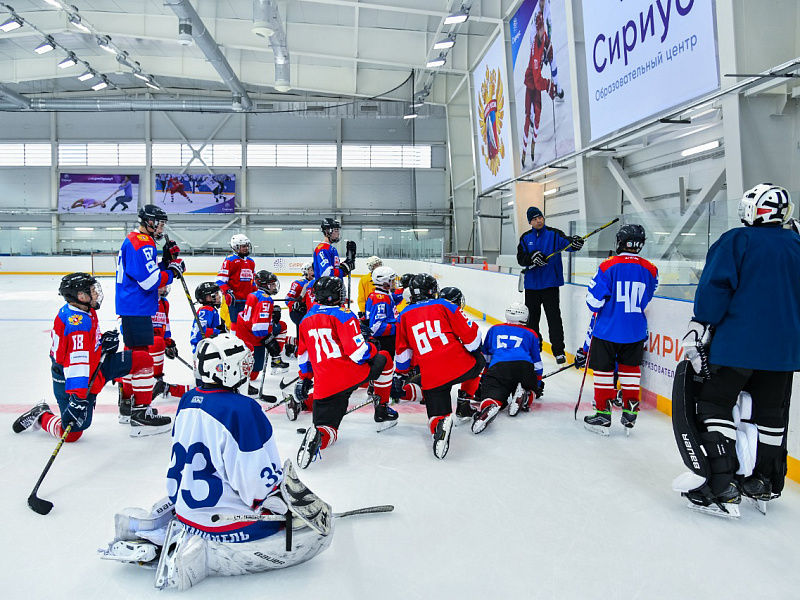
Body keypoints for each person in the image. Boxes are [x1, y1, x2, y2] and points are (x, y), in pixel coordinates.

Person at [100, 333, 335, 591]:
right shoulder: (243, 410)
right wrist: (284, 507)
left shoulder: (188, 399)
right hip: (226, 525)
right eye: (243, 364)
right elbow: (256, 487)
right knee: (292, 519)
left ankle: (159, 532)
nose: (247, 368)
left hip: (186, 513)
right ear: (228, 370)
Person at [674, 184, 800, 514]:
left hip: (736, 347)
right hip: (784, 352)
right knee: (772, 416)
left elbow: (716, 288)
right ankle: (766, 481)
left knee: (714, 405)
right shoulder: (797, 244)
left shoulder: (737, 240)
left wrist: (699, 325)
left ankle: (722, 483)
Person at [13, 273, 168, 440]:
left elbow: (86, 348)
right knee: (72, 433)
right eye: (92, 290)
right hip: (72, 378)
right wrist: (78, 398)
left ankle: (141, 414)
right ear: (81, 296)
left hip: (95, 365)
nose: (96, 294)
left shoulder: (86, 310)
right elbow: (76, 364)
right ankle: (42, 414)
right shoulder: (77, 324)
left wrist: (102, 343)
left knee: (142, 359)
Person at [294, 276, 398, 469]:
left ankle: (318, 436)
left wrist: (305, 378)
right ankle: (382, 408)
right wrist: (372, 347)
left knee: (328, 429)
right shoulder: (343, 314)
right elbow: (358, 353)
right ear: (334, 295)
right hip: (351, 374)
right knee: (385, 358)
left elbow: (303, 355)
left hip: (324, 383)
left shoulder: (306, 319)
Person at [395, 274, 483, 459]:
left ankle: (439, 425)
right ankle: (464, 402)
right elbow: (473, 341)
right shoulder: (445, 305)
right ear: (432, 290)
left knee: (436, 413)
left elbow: (403, 353)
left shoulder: (403, 314)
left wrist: (401, 374)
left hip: (431, 375)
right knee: (479, 359)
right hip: (460, 366)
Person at [582, 224, 658, 435]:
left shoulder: (608, 266)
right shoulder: (651, 268)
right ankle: (630, 409)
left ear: (620, 241)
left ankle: (603, 415)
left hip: (608, 329)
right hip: (635, 330)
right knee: (631, 369)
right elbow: (649, 297)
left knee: (604, 371)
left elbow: (594, 302)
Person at [116, 204, 184, 434]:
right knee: (142, 359)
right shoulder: (142, 242)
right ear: (148, 221)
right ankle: (140, 413)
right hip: (136, 307)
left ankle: (128, 406)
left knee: (134, 357)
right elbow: (150, 281)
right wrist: (172, 271)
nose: (162, 227)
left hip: (132, 307)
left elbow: (147, 274)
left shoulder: (137, 240)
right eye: (160, 222)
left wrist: (165, 264)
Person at [516, 205, 584, 363]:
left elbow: (567, 244)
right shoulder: (525, 238)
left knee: (554, 318)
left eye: (540, 217)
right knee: (532, 320)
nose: (538, 220)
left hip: (550, 285)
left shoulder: (554, 234)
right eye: (534, 219)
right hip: (532, 286)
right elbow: (521, 258)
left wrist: (575, 243)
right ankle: (535, 346)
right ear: (530, 222)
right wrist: (532, 257)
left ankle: (559, 351)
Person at [118, 284, 188, 423]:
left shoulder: (164, 302)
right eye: (161, 286)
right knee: (140, 360)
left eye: (165, 286)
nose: (164, 289)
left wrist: (169, 342)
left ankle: (154, 383)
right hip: (138, 342)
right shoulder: (139, 299)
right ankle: (127, 400)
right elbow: (123, 320)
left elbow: (165, 324)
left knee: (158, 343)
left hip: (152, 344)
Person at [474, 303, 544, 434]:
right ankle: (526, 396)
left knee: (493, 393)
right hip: (524, 367)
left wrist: (484, 379)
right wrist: (537, 385)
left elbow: (486, 357)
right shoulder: (531, 333)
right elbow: (537, 363)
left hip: (499, 367)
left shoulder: (494, 329)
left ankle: (491, 405)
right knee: (530, 386)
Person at [366, 266, 421, 404]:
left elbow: (393, 298)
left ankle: (376, 388)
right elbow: (376, 327)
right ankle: (380, 392)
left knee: (384, 366)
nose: (394, 283)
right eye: (391, 280)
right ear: (384, 283)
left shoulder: (381, 294)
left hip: (386, 338)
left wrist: (405, 290)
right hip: (385, 339)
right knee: (385, 367)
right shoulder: (381, 299)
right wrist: (398, 327)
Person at [236, 270, 289, 399]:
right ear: (263, 285)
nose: (274, 287)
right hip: (253, 337)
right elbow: (259, 327)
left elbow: (254, 317)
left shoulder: (253, 295)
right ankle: (276, 359)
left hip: (243, 333)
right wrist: (269, 340)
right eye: (271, 285)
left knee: (252, 373)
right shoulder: (265, 299)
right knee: (282, 327)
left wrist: (271, 318)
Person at [520, 10, 560, 168]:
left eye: (543, 29)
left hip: (536, 83)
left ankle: (533, 142)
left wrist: (550, 54)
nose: (542, 31)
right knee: (528, 116)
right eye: (539, 29)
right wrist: (549, 85)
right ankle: (524, 149)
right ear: (536, 30)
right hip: (531, 85)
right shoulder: (535, 53)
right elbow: (537, 82)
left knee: (538, 114)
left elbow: (548, 46)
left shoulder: (543, 38)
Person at [217, 234, 257, 330]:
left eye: (247, 246)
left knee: (248, 326)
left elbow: (253, 282)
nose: (246, 248)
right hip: (235, 302)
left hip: (248, 301)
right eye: (243, 246)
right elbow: (220, 281)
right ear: (235, 247)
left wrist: (257, 293)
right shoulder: (230, 261)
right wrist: (228, 292)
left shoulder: (251, 262)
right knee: (234, 326)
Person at [286, 262, 316, 356]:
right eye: (311, 270)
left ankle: (298, 344)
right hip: (298, 312)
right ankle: (299, 348)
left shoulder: (317, 283)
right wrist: (295, 304)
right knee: (303, 329)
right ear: (306, 272)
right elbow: (288, 299)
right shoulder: (298, 283)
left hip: (309, 312)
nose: (313, 272)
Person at [190, 282, 227, 355]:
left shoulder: (210, 309)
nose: (219, 297)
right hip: (203, 349)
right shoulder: (206, 310)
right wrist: (219, 332)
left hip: (207, 347)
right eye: (215, 294)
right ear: (206, 298)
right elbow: (200, 332)